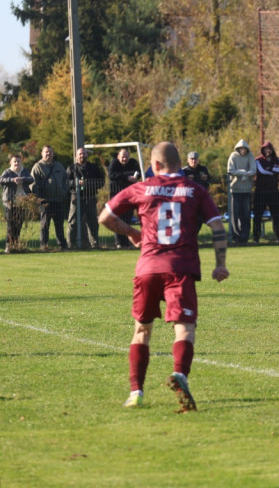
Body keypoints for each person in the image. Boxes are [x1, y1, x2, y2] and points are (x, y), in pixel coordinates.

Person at [98, 141, 229, 411]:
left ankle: (136, 392)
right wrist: (220, 263)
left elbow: (104, 217)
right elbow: (217, 226)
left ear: (154, 166)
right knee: (184, 328)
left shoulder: (141, 187)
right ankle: (180, 373)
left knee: (142, 330)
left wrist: (132, 233)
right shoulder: (195, 190)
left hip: (147, 268)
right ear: (180, 164)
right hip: (180, 268)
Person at [31, 145, 69, 250]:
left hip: (58, 200)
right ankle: (44, 245)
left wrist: (64, 191)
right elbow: (32, 184)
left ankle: (62, 245)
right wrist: (39, 198)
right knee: (45, 225)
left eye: (50, 152)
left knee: (59, 225)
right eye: (46, 152)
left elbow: (66, 179)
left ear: (53, 154)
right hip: (45, 201)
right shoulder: (37, 166)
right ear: (42, 154)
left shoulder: (59, 166)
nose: (48, 154)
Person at [67, 147, 104, 249]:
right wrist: (76, 183)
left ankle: (95, 244)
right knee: (73, 222)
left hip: (90, 197)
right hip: (75, 197)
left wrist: (89, 184)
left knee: (92, 222)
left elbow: (102, 181)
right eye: (80, 154)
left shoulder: (94, 167)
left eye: (84, 154)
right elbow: (66, 183)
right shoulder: (71, 168)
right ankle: (70, 245)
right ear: (76, 156)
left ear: (87, 155)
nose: (82, 156)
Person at [0, 153, 34, 253]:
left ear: (21, 162)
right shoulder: (8, 172)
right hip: (10, 203)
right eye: (14, 161)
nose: (16, 163)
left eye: (18, 161)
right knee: (10, 225)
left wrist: (22, 179)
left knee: (19, 225)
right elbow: (0, 181)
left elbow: (31, 179)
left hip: (22, 203)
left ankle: (16, 245)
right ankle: (8, 246)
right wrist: (12, 180)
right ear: (11, 162)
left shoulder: (24, 171)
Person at [108, 148, 142, 249]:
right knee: (117, 219)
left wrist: (135, 176)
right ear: (118, 156)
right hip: (116, 195)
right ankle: (119, 243)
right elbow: (111, 175)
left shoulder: (133, 162)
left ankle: (126, 243)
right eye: (122, 157)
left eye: (126, 157)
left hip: (129, 196)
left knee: (127, 219)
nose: (124, 159)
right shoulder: (114, 163)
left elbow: (138, 172)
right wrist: (126, 177)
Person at [253, 141, 279, 243]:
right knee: (258, 216)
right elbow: (261, 170)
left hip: (274, 192)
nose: (268, 151)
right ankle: (256, 237)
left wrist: (271, 169)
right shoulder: (257, 160)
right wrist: (273, 170)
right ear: (263, 150)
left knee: (276, 215)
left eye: (269, 149)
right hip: (260, 192)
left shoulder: (277, 159)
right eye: (266, 149)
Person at [226, 140, 256, 245]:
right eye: (241, 149)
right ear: (238, 148)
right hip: (235, 190)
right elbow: (230, 170)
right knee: (235, 214)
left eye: (245, 149)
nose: (243, 150)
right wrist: (243, 172)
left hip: (247, 189)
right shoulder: (233, 156)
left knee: (246, 215)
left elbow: (253, 170)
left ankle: (245, 236)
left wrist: (245, 175)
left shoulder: (250, 156)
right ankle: (236, 236)